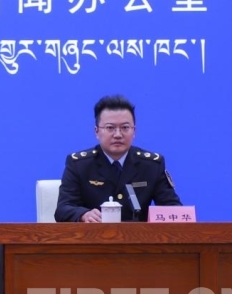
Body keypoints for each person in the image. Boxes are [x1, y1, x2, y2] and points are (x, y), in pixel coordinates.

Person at [55, 95, 182, 223]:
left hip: (138, 235)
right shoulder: (79, 165)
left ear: (134, 131)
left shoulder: (152, 165)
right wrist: (83, 215)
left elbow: (174, 209)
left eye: (125, 128)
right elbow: (62, 209)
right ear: (97, 131)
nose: (118, 135)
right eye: (110, 128)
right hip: (93, 234)